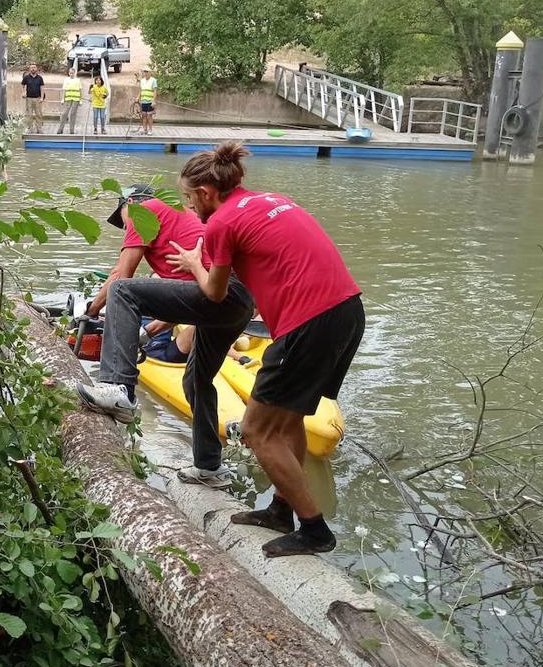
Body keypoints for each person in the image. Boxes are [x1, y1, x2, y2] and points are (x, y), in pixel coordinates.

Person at [165, 141, 364, 557]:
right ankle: (280, 509)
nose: (191, 208)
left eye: (189, 198)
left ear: (205, 193)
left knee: (256, 429)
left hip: (309, 321)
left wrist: (193, 264)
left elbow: (215, 295)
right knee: (288, 421)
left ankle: (314, 531)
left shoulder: (220, 222)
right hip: (346, 309)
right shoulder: (271, 200)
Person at [76, 186, 254, 489]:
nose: (125, 228)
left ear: (129, 203)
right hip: (237, 301)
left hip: (218, 295)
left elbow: (122, 274)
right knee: (197, 380)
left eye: (122, 220)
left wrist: (89, 310)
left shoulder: (143, 210)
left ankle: (121, 390)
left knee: (122, 292)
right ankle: (210, 468)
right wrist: (148, 331)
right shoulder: (181, 219)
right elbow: (190, 300)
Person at [21, 64, 45, 132]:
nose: (33, 69)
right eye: (31, 67)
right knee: (29, 114)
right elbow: (22, 85)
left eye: (34, 67)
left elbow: (42, 88)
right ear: (29, 69)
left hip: (37, 98)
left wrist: (42, 98)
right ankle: (30, 128)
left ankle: (39, 128)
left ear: (36, 69)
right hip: (29, 99)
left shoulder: (40, 78)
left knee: (38, 114)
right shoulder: (26, 77)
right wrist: (23, 92)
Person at [57, 68, 82, 134]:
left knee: (73, 114)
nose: (71, 74)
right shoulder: (66, 80)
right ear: (68, 73)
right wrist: (63, 98)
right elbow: (64, 89)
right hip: (68, 99)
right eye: (70, 73)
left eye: (72, 73)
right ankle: (60, 129)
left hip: (76, 99)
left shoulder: (78, 80)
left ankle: (71, 130)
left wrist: (80, 100)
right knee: (64, 113)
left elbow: (80, 90)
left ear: (74, 73)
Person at [137, 68, 158, 135]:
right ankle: (144, 129)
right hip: (143, 101)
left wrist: (154, 101)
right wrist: (138, 97)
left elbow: (155, 91)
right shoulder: (142, 81)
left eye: (147, 72)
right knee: (144, 115)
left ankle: (150, 130)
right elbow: (141, 90)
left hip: (150, 101)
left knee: (149, 116)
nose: (145, 73)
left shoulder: (153, 80)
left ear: (149, 72)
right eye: (144, 72)